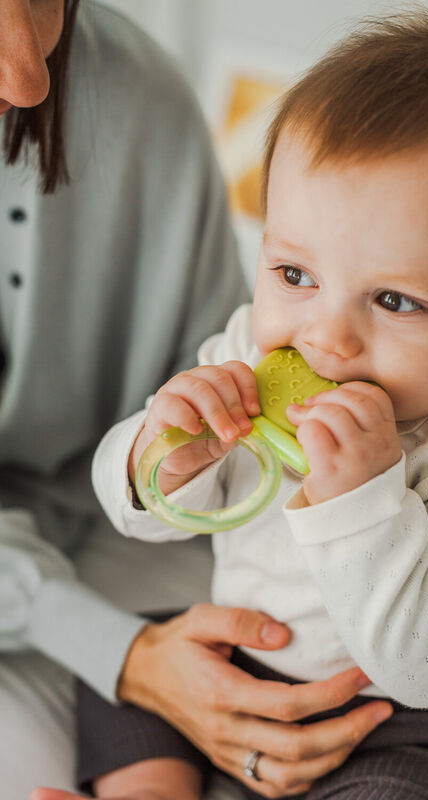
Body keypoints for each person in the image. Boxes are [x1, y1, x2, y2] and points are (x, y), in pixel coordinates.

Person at [58, 9, 428, 800]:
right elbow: (134, 512)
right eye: (294, 275)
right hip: (249, 662)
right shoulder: (254, 348)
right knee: (112, 677)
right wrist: (166, 452)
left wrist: (363, 501)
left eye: (392, 299)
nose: (326, 338)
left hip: (408, 728)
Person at [1, 2, 392, 799]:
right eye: (293, 274)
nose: (27, 76)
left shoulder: (145, 102)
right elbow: (138, 476)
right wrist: (126, 656)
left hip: (158, 588)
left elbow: (206, 440)